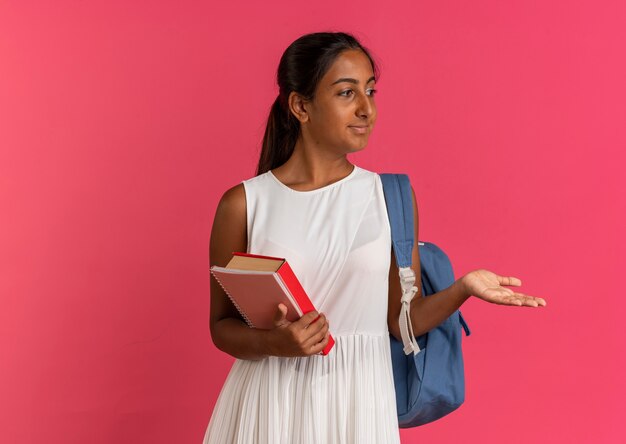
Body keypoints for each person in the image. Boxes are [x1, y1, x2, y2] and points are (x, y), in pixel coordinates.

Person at [203, 31, 546, 444]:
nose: (367, 109)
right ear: (300, 106)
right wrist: (273, 342)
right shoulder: (244, 204)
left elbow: (403, 322)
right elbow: (221, 327)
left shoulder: (390, 197)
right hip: (270, 406)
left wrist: (463, 289)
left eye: (370, 91)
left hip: (359, 404)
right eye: (347, 93)